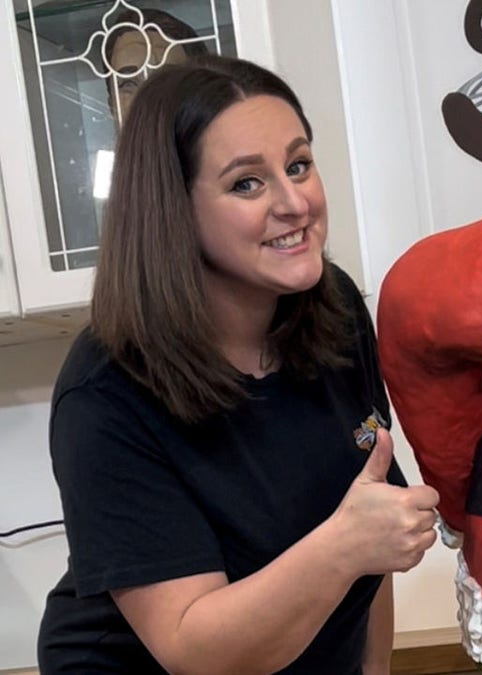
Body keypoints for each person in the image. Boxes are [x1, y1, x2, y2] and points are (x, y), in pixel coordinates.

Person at [37, 54, 439, 674]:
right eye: (246, 183)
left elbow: (368, 528)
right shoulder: (106, 392)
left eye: (299, 165)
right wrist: (343, 547)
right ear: (173, 210)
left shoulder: (332, 313)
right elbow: (194, 651)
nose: (294, 202)